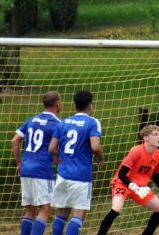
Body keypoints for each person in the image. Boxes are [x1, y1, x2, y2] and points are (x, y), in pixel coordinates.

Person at [97, 125, 159, 235]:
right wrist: (133, 187)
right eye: (155, 135)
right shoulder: (136, 151)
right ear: (146, 138)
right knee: (116, 209)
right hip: (122, 184)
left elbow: (155, 176)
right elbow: (122, 174)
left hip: (141, 188)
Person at [48, 90, 105, 235]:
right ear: (90, 106)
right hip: (81, 176)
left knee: (61, 213)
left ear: (74, 106)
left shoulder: (63, 123)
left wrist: (61, 158)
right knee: (78, 214)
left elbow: (52, 148)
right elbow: (95, 146)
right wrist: (100, 158)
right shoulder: (92, 122)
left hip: (63, 175)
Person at [11, 91, 62, 235]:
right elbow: (57, 150)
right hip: (42, 170)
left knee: (30, 210)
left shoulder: (31, 120)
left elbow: (14, 141)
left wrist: (19, 163)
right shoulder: (58, 124)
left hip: (26, 169)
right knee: (45, 209)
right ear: (57, 104)